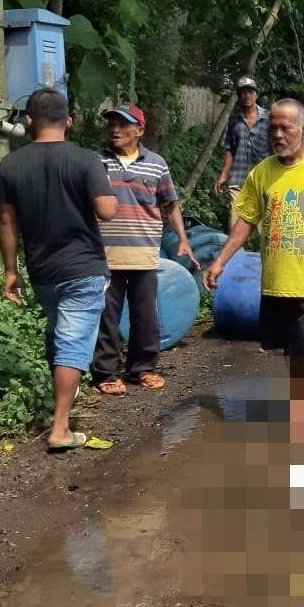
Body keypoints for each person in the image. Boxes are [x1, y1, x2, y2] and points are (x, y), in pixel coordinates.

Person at [203, 98, 304, 446]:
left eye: (285, 127)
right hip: (277, 285)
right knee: (293, 353)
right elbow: (245, 221)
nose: (277, 134)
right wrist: (220, 261)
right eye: (273, 127)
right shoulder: (262, 173)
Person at [0, 88, 117, 451]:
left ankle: (61, 400)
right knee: (72, 342)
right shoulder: (86, 160)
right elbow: (106, 211)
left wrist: (10, 271)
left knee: (61, 335)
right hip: (83, 267)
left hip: (42, 270)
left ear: (28, 121)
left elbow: (6, 222)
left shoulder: (10, 165)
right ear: (69, 121)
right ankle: (60, 428)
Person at [90, 104, 197, 396]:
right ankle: (106, 373)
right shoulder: (96, 161)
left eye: (123, 125)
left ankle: (142, 369)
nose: (115, 130)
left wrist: (184, 240)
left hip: (144, 251)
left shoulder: (156, 163)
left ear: (139, 130)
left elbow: (170, 204)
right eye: (111, 124)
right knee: (107, 316)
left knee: (145, 314)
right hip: (105, 253)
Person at [212, 76, 270, 230]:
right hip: (238, 178)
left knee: (265, 225)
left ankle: (263, 253)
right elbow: (230, 148)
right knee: (235, 222)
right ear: (239, 96)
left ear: (256, 95)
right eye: (243, 93)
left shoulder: (269, 119)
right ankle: (237, 253)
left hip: (263, 179)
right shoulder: (233, 120)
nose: (247, 96)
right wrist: (223, 175)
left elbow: (277, 147)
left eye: (250, 92)